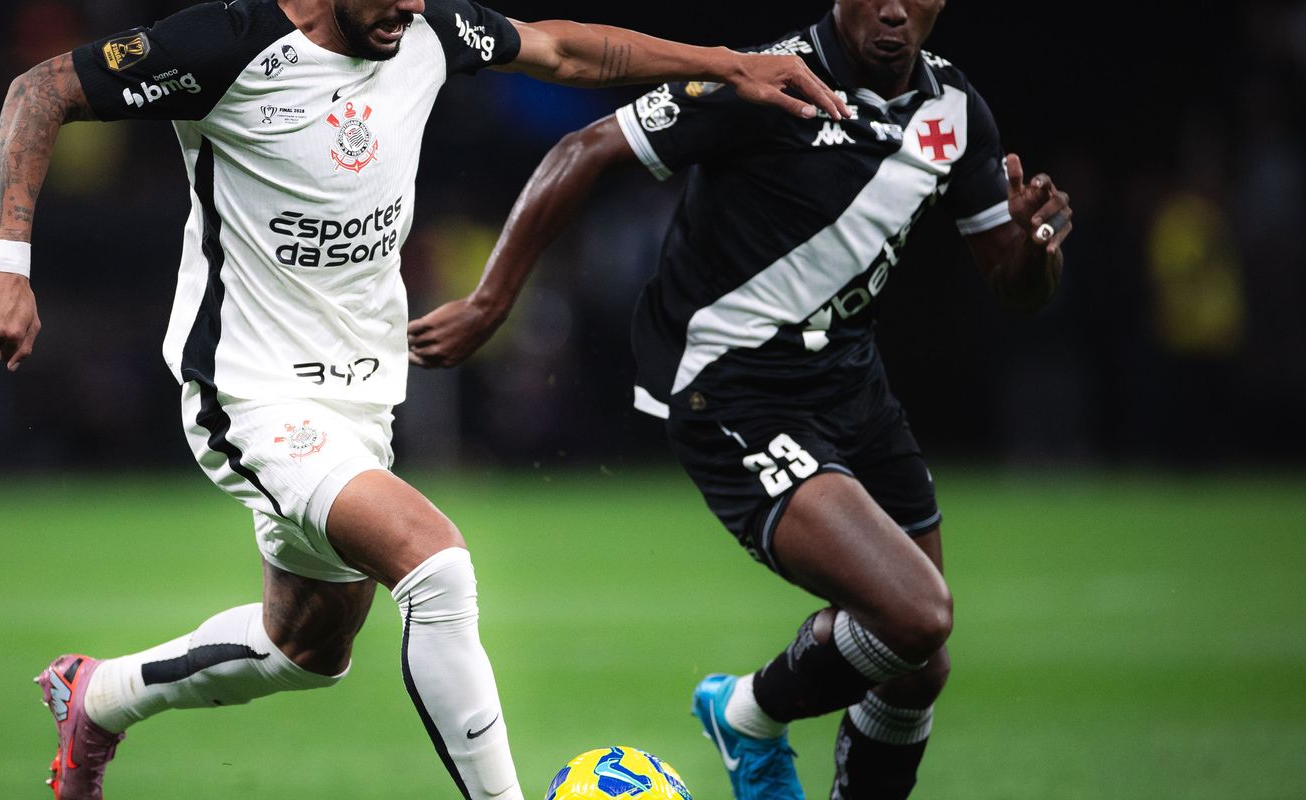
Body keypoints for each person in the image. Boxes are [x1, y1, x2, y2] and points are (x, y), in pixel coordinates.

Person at [0, 1, 848, 798]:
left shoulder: (422, 28)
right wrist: (7, 263)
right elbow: (40, 91)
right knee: (436, 563)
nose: (410, 6)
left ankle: (96, 697)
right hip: (251, 391)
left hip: (360, 396)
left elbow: (567, 51)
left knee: (306, 649)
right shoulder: (225, 45)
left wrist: (727, 63)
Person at [406, 1, 1074, 798]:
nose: (894, 10)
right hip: (731, 389)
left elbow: (1014, 282)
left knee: (917, 664)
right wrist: (490, 302)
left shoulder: (956, 111)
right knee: (916, 616)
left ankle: (761, 723)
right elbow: (584, 148)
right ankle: (747, 714)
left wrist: (1038, 247)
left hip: (854, 389)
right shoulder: (763, 80)